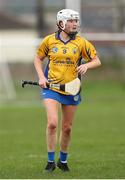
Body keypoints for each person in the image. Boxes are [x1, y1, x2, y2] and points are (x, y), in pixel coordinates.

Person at [34, 9, 101, 172]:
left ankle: (62, 161)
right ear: (61, 23)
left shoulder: (81, 42)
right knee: (52, 123)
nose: (75, 24)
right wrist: (41, 78)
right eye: (71, 21)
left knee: (67, 127)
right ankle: (50, 162)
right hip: (51, 88)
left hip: (72, 89)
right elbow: (38, 58)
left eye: (76, 21)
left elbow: (96, 60)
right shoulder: (49, 41)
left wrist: (86, 65)